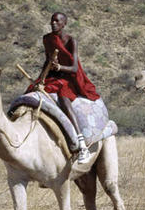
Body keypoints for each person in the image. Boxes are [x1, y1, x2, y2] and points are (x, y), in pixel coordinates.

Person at [31, 12, 99, 162]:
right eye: (52, 21)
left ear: (64, 24)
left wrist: (59, 67)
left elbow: (74, 68)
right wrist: (41, 78)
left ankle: (81, 145)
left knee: (63, 96)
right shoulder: (47, 39)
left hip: (70, 77)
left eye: (57, 21)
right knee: (30, 91)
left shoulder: (71, 41)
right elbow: (47, 60)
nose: (53, 23)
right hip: (54, 75)